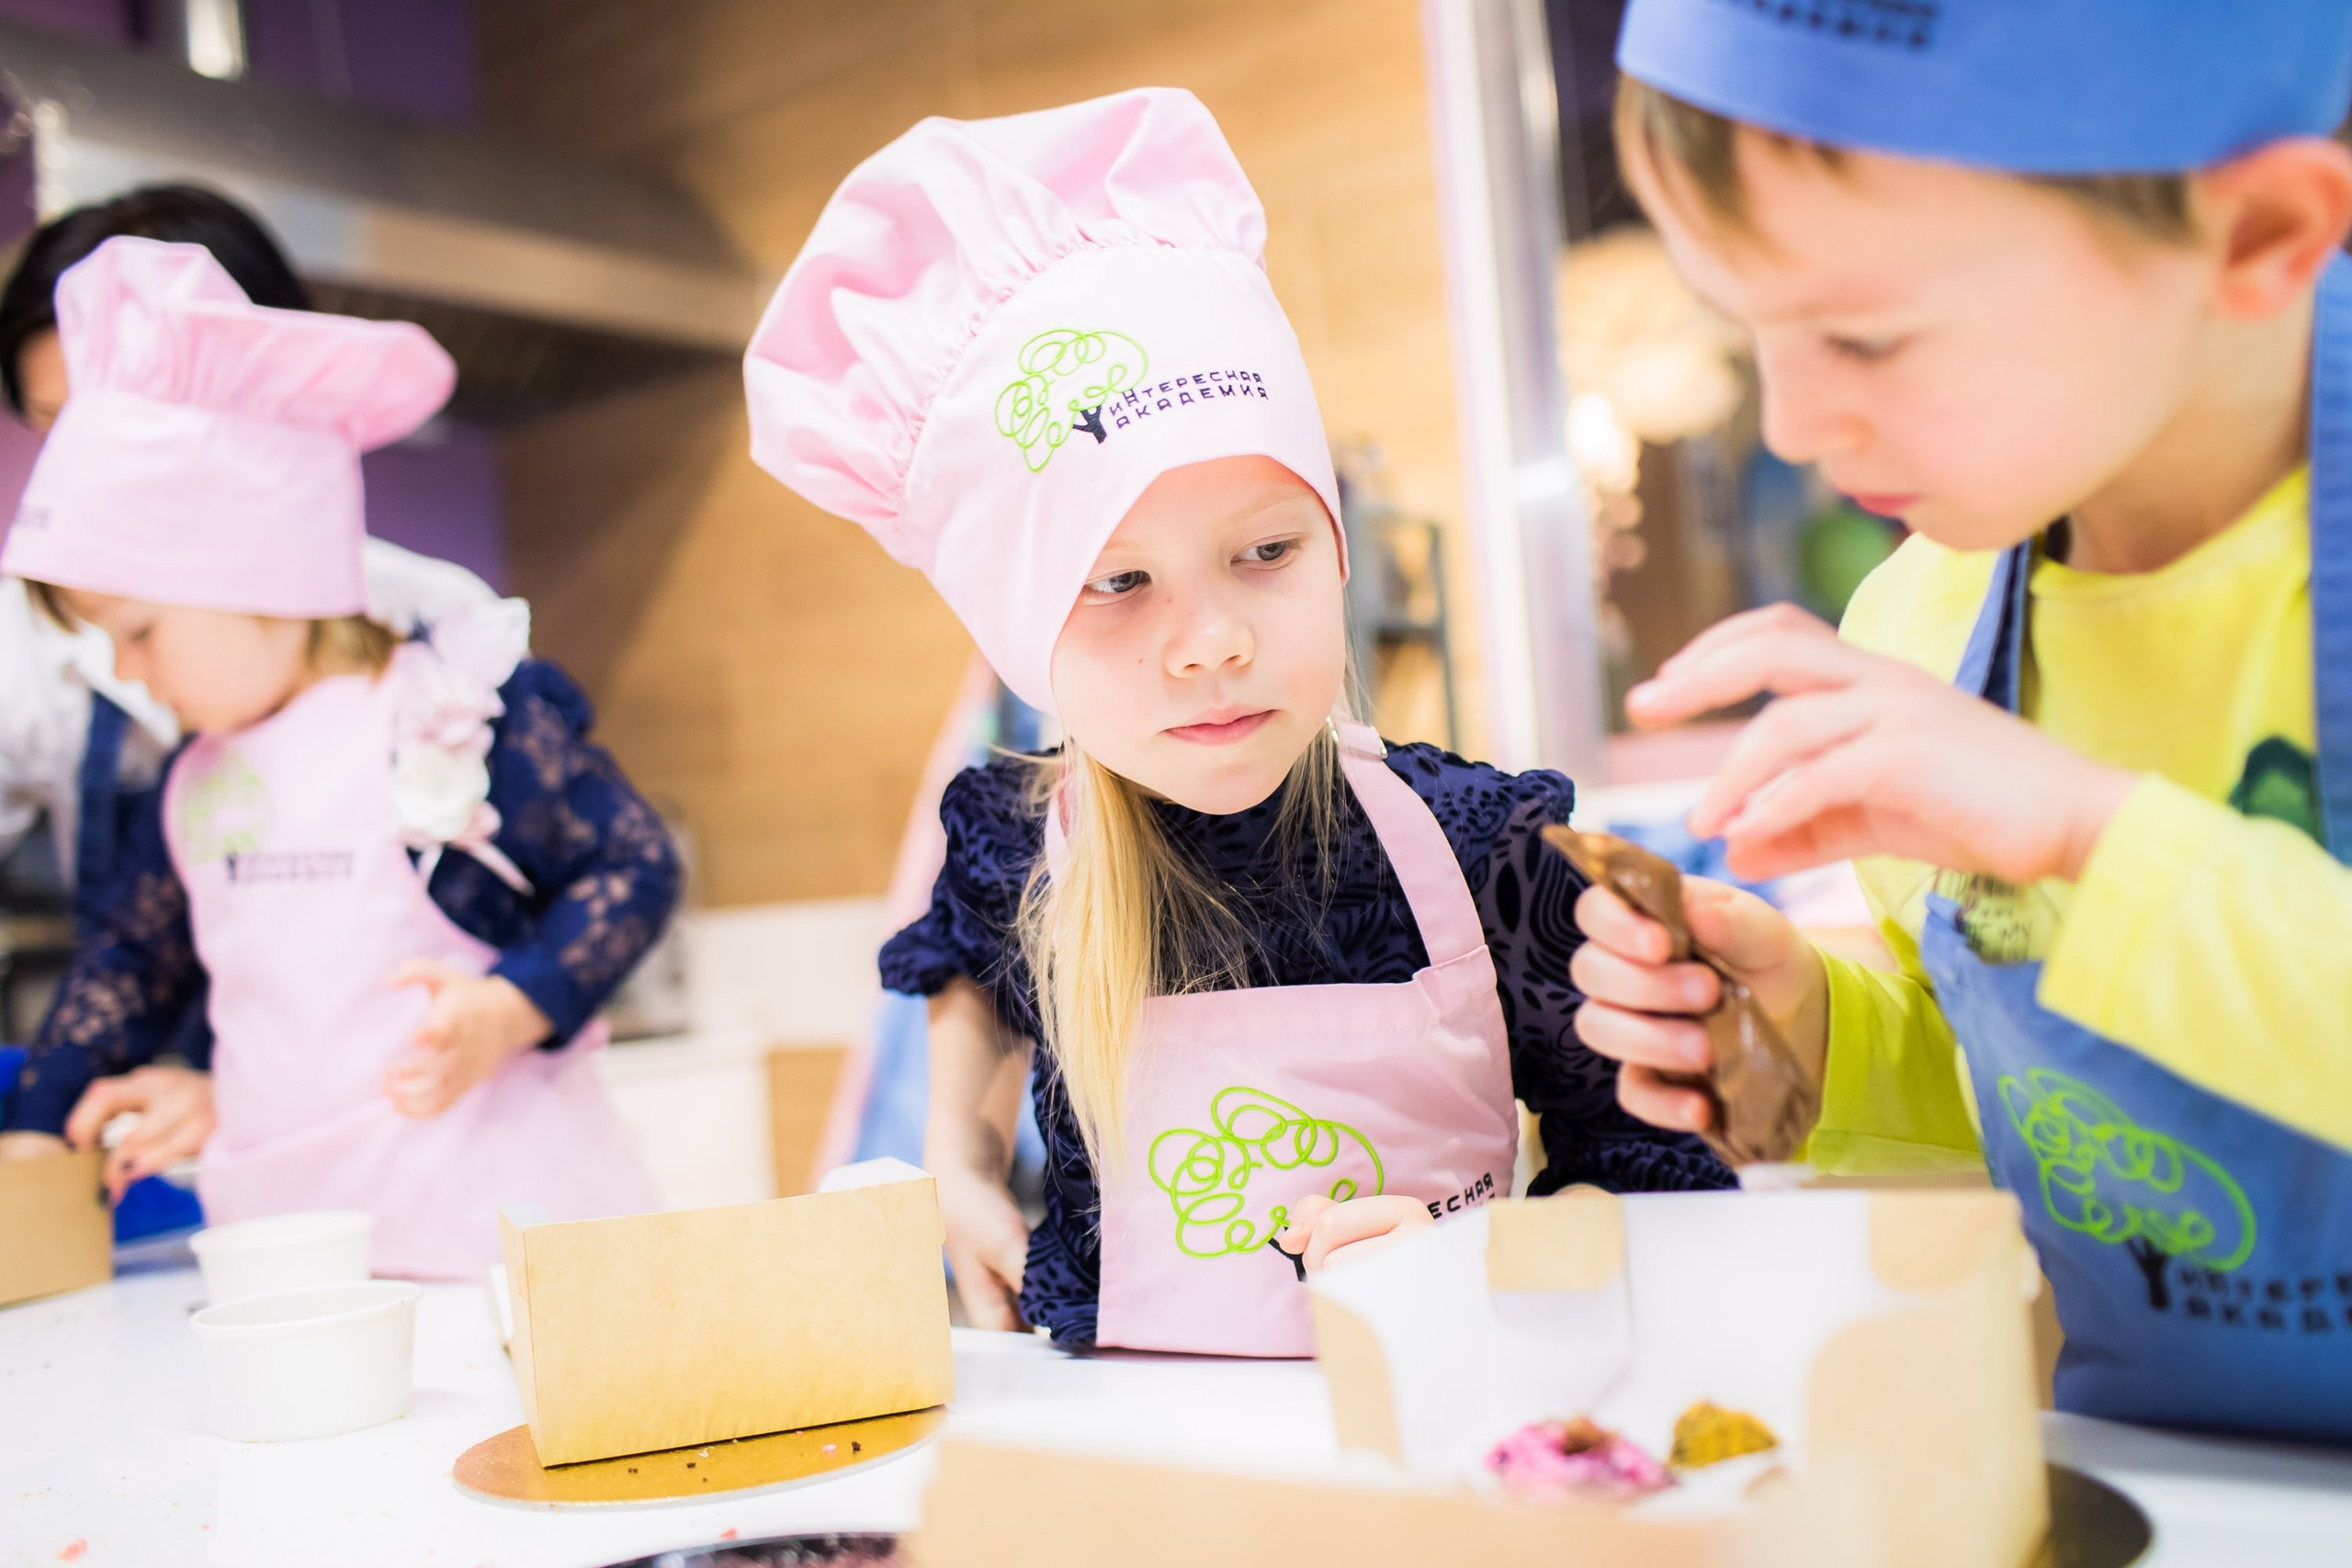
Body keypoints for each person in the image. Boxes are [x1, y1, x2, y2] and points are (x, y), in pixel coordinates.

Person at [745, 87, 1727, 1355]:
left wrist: (1484, 1265)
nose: (1211, 639)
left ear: (1334, 550)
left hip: (1443, 1439)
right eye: (1118, 580)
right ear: (1017, 632)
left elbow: (1661, 1180)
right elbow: (970, 975)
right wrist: (963, 1165)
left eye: (1265, 550)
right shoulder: (1017, 844)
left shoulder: (1484, 847)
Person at [1571, 2, 2352, 1440]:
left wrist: (2083, 830)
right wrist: (1810, 1030)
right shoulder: (1921, 624)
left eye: (1865, 335)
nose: (1790, 425)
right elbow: (2060, 1089)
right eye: (1747, 323)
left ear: (2258, 233)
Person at [0, 237, 672, 1276]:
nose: (126, 671)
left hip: (505, 1246)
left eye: (140, 632)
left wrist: (511, 1006)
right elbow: (130, 962)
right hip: (295, 1258)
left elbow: (632, 863)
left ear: (260, 571)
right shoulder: (190, 781)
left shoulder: (452, 710)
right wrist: (41, 1123)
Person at [0, 187, 504, 1199]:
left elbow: (541, 915)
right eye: (55, 429)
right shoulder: (32, 638)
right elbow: (133, 951)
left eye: (120, 417)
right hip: (150, 1159)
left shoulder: (439, 637)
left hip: (416, 1150)